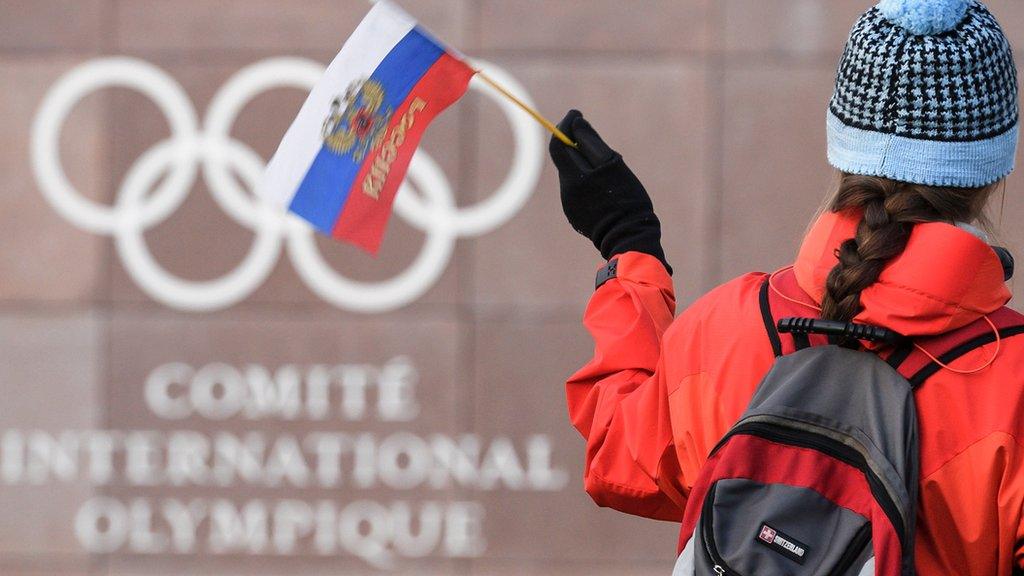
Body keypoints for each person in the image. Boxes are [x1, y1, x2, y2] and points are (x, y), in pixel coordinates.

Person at [548, 0, 1022, 574]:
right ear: (994, 166)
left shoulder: (726, 325)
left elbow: (619, 454)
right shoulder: (1011, 377)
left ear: (840, 143)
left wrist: (630, 248)